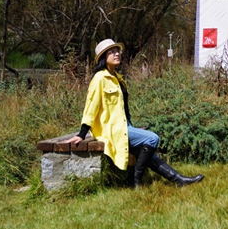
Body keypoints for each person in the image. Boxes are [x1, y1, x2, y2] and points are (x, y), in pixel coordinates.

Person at [64, 39, 204, 188]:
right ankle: (134, 180)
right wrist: (82, 133)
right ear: (104, 57)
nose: (116, 54)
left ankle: (179, 180)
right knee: (152, 139)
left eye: (117, 51)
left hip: (124, 125)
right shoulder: (99, 79)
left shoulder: (117, 78)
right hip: (111, 129)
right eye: (111, 52)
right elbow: (91, 107)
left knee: (151, 156)